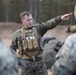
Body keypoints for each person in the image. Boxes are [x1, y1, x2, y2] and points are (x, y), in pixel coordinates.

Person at [10, 11, 72, 75]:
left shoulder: (38, 28)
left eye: (31, 19)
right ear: (22, 21)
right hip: (26, 64)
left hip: (40, 63)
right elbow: (12, 48)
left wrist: (60, 18)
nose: (30, 21)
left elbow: (49, 24)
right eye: (28, 20)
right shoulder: (18, 33)